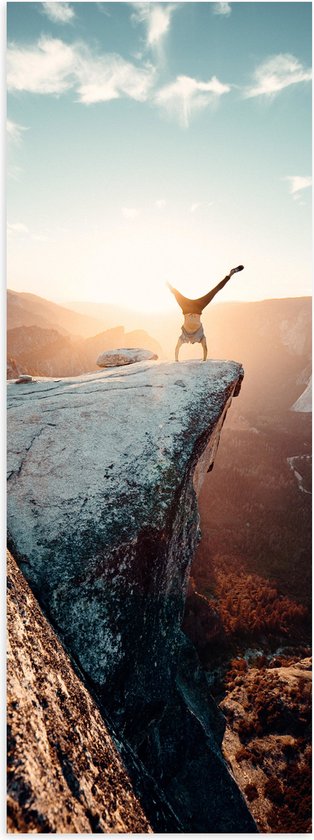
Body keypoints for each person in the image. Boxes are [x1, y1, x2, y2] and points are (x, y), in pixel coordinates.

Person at [167, 265, 244, 361]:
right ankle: (230, 274)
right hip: (196, 307)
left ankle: (164, 280)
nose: (192, 342)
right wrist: (204, 360)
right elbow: (205, 348)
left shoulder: (184, 337)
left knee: (175, 292)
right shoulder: (199, 336)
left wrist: (176, 360)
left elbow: (177, 348)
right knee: (214, 291)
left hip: (187, 307)